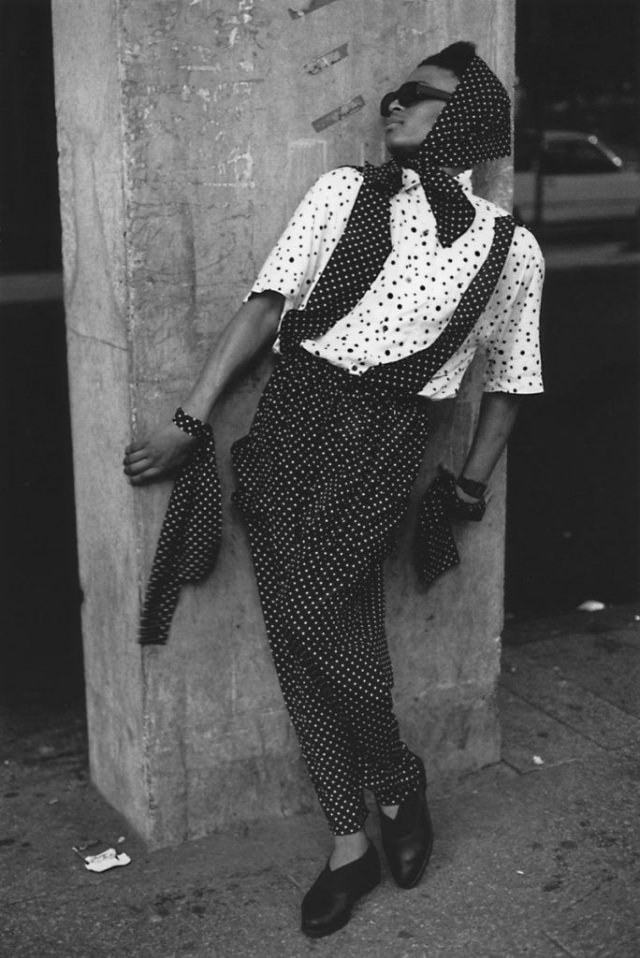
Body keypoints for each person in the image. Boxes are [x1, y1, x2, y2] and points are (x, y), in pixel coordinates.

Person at [123, 41, 544, 938]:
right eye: (391, 95)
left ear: (466, 118)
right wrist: (191, 420)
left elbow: (510, 382)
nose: (392, 106)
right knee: (299, 632)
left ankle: (394, 780)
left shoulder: (513, 250)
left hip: (387, 444)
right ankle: (350, 839)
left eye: (417, 97)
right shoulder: (343, 194)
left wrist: (466, 489)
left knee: (312, 610)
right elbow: (267, 305)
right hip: (291, 422)